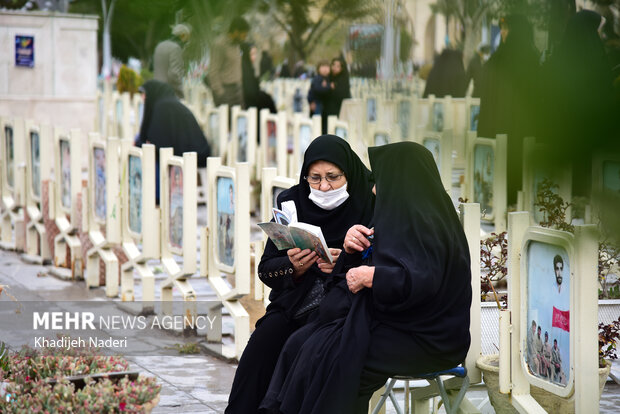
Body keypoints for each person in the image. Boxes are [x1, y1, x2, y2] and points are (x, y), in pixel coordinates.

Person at [261, 142, 472, 413]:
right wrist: (351, 252)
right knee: (308, 342)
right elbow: (383, 265)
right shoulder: (403, 214)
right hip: (402, 323)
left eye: (379, 181)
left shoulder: (428, 222)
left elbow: (423, 281)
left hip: (430, 337)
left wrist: (373, 276)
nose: (373, 189)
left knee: (340, 357)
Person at [225, 135, 375, 414]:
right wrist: (293, 267)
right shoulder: (292, 201)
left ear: (349, 174)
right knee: (262, 344)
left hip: (343, 306)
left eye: (333, 177)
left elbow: (381, 263)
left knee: (307, 350)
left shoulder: (368, 203)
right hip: (295, 301)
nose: (324, 186)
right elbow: (266, 269)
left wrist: (345, 262)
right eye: (314, 178)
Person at [538, 10, 617, 198]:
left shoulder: (559, 59)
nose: (600, 35)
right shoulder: (597, 58)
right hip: (590, 135)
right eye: (597, 30)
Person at [477, 14, 541, 207]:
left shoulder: (501, 60)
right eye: (502, 29)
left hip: (512, 127)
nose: (503, 33)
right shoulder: (532, 60)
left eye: (507, 29)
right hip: (511, 127)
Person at [138, 80, 211, 203]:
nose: (143, 97)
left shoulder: (163, 107)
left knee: (154, 158)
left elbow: (159, 142)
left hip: (194, 152)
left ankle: (158, 196)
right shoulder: (164, 103)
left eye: (144, 93)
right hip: (191, 148)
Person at [207, 17, 249, 107]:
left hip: (237, 90)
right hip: (225, 90)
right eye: (243, 35)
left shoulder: (237, 45)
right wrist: (220, 93)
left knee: (240, 119)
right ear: (236, 32)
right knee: (226, 120)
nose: (245, 38)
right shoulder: (219, 45)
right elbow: (213, 71)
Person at [153, 24, 190, 98]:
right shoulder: (175, 48)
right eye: (187, 39)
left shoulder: (160, 45)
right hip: (169, 92)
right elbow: (174, 74)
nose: (186, 42)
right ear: (182, 35)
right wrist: (181, 94)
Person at [323, 57, 351, 132]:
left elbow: (344, 94)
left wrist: (333, 88)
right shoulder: (327, 78)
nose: (335, 68)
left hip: (339, 110)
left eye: (338, 66)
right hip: (326, 111)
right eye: (333, 65)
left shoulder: (343, 80)